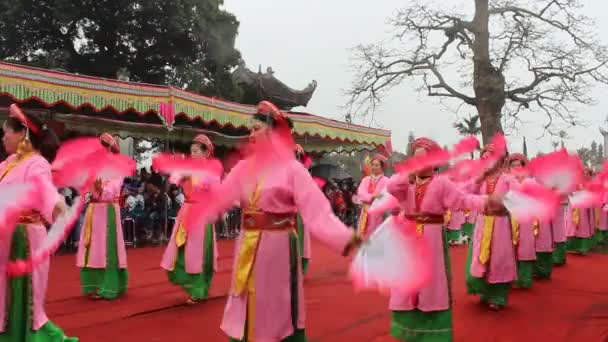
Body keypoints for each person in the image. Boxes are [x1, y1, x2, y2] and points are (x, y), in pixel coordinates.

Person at [197, 101, 360, 341]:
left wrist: (347, 239)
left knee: (274, 305)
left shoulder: (292, 169)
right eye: (250, 129)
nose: (250, 134)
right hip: (247, 244)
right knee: (245, 299)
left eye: (256, 129)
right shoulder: (242, 168)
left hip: (278, 247)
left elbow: (318, 213)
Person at [386, 137, 495, 342]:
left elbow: (461, 200)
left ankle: (432, 335)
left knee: (430, 284)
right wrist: (406, 175)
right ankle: (409, 331)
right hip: (408, 237)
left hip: (431, 237)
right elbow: (391, 188)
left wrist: (486, 202)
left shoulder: (441, 183)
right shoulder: (405, 183)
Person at [0, 104, 78, 341]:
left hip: (25, 237)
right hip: (6, 237)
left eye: (6, 132)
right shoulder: (6, 164)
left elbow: (45, 189)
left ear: (22, 134)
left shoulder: (37, 163)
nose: (3, 137)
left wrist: (57, 205)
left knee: (25, 296)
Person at [161, 134, 220, 305]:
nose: (192, 154)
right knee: (183, 249)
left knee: (197, 252)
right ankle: (193, 286)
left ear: (206, 153)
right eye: (191, 151)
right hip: (187, 211)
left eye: (195, 151)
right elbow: (173, 180)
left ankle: (198, 289)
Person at [76, 133, 128, 300]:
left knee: (106, 249)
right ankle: (94, 284)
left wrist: (99, 190)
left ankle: (109, 285)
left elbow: (112, 190)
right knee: (92, 248)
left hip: (108, 212)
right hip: (94, 211)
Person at [466, 145, 518, 311]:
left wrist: (504, 201)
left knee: (499, 258)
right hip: (482, 221)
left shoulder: (507, 179)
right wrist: (479, 179)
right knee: (482, 257)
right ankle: (484, 293)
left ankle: (498, 297)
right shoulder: (481, 178)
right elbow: (468, 194)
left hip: (500, 223)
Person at [508, 154, 537, 289]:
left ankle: (524, 279)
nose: (516, 168)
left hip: (525, 218)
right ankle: (511, 278)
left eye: (518, 165)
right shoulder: (506, 181)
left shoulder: (530, 182)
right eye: (513, 166)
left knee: (524, 247)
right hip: (509, 217)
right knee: (510, 248)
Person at [356, 154, 389, 239]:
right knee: (363, 237)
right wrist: (372, 196)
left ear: (382, 167)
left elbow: (384, 197)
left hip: (378, 214)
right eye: (373, 165)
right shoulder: (365, 180)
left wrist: (371, 197)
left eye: (376, 165)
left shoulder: (386, 181)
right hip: (365, 213)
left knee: (376, 237)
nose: (374, 167)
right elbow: (360, 194)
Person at [294, 144, 312, 274]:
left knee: (301, 238)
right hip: (285, 209)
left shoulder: (304, 172)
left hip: (300, 209)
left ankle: (300, 267)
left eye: (297, 155)